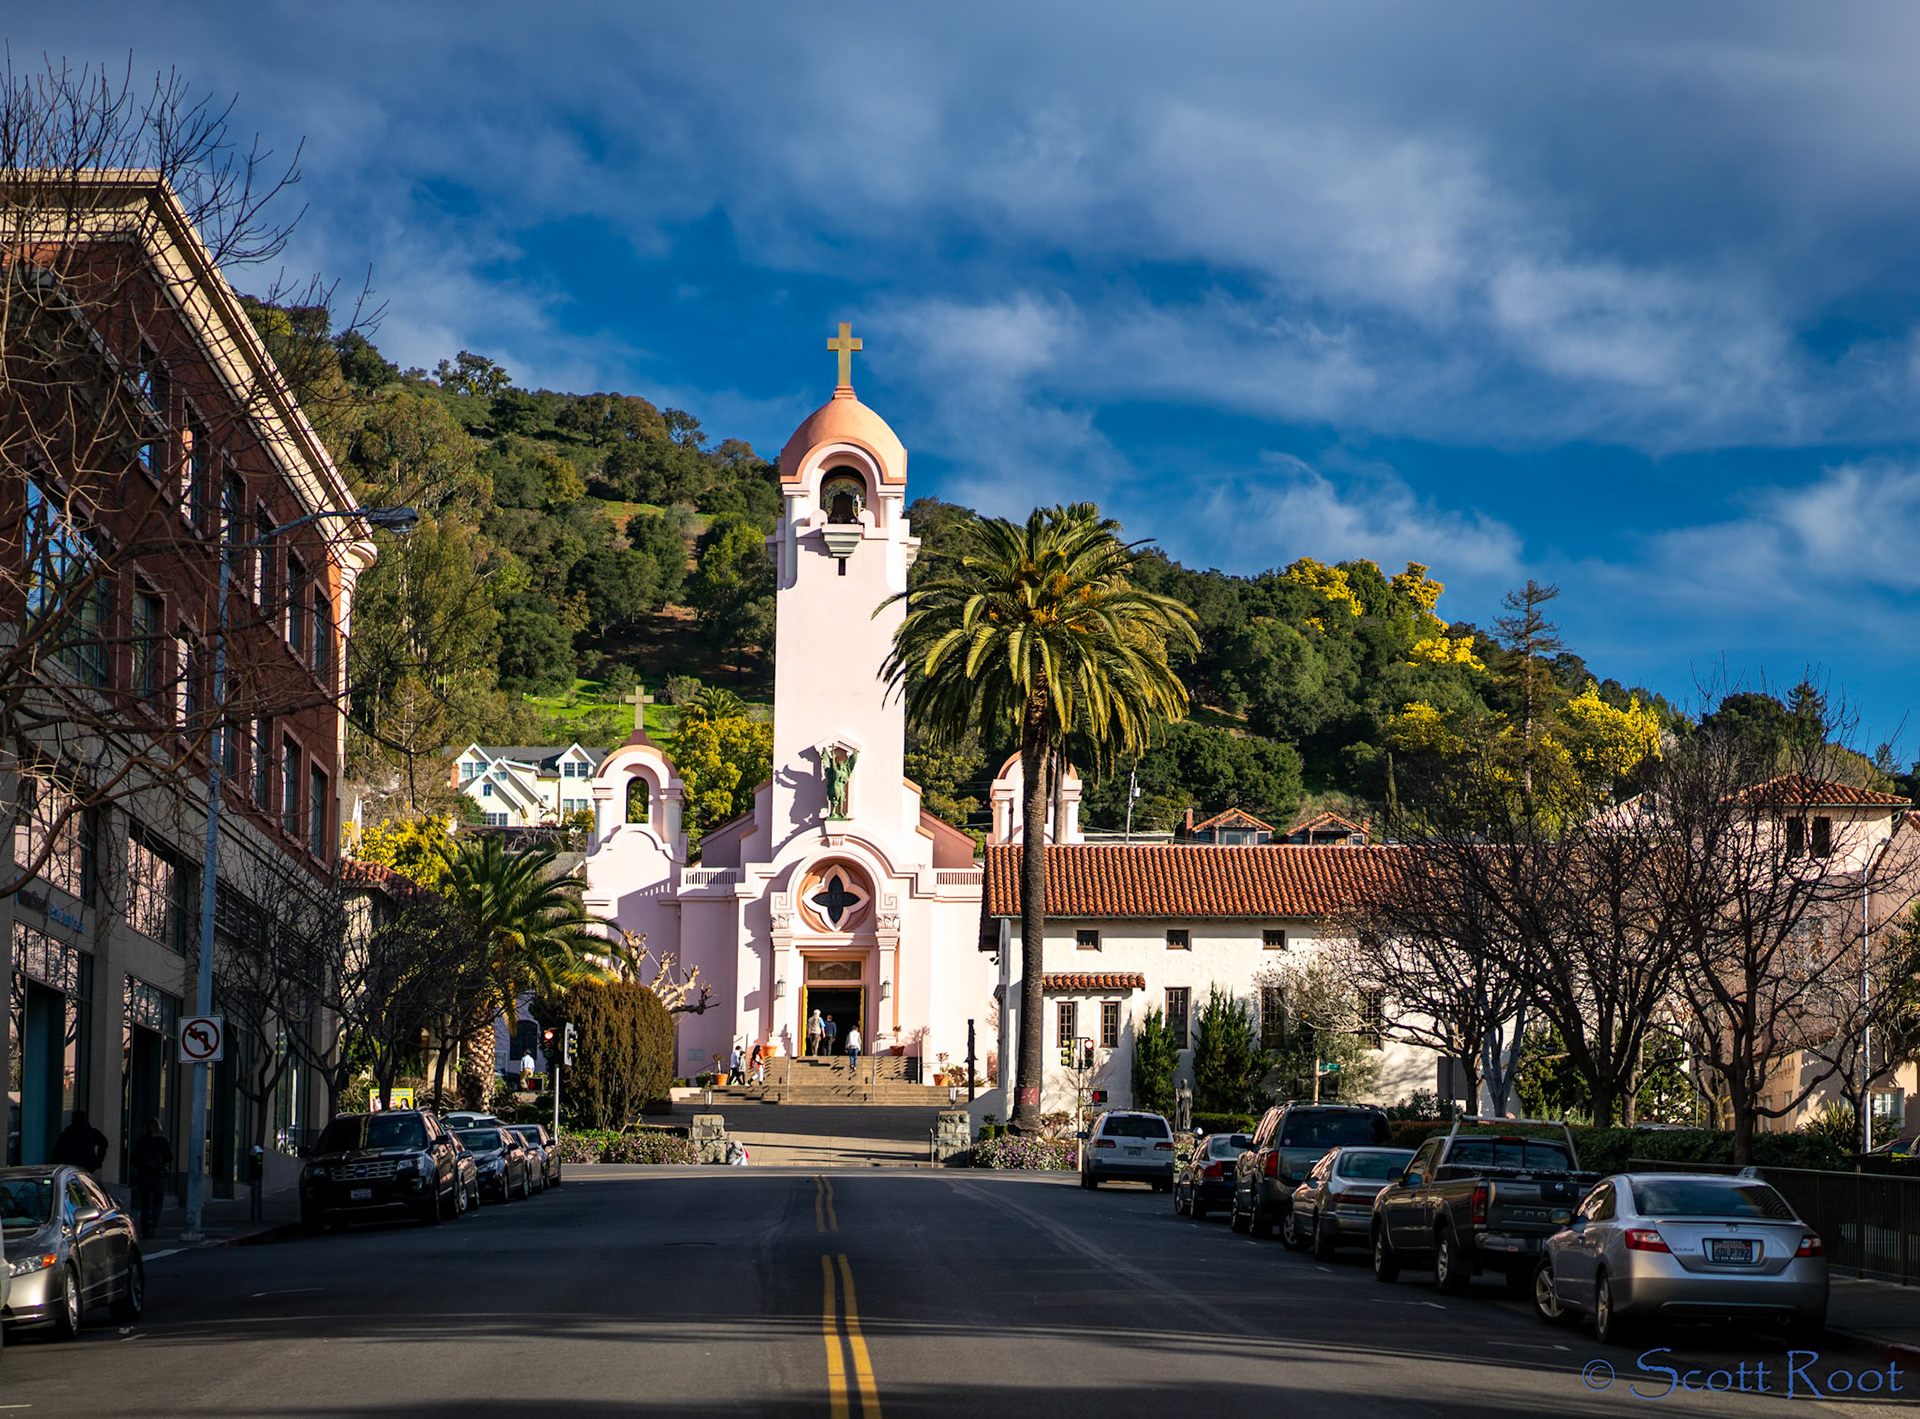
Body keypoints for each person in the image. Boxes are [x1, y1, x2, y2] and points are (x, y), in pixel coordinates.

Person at [129, 1118, 173, 1239]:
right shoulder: (162, 1142)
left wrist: (141, 1167)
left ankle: (144, 1228)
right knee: (158, 1201)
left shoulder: (141, 1141)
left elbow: (134, 1158)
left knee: (145, 1203)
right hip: (158, 1175)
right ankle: (152, 1221)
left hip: (144, 1175)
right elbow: (169, 1157)